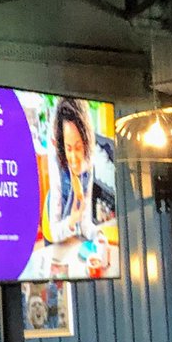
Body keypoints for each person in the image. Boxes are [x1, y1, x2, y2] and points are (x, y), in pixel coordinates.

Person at [48, 97, 97, 244]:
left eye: (78, 147)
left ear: (86, 143)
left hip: (73, 240)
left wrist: (98, 235)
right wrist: (72, 220)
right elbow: (54, 233)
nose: (74, 158)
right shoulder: (57, 163)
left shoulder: (88, 163)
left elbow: (85, 222)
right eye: (68, 148)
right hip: (56, 237)